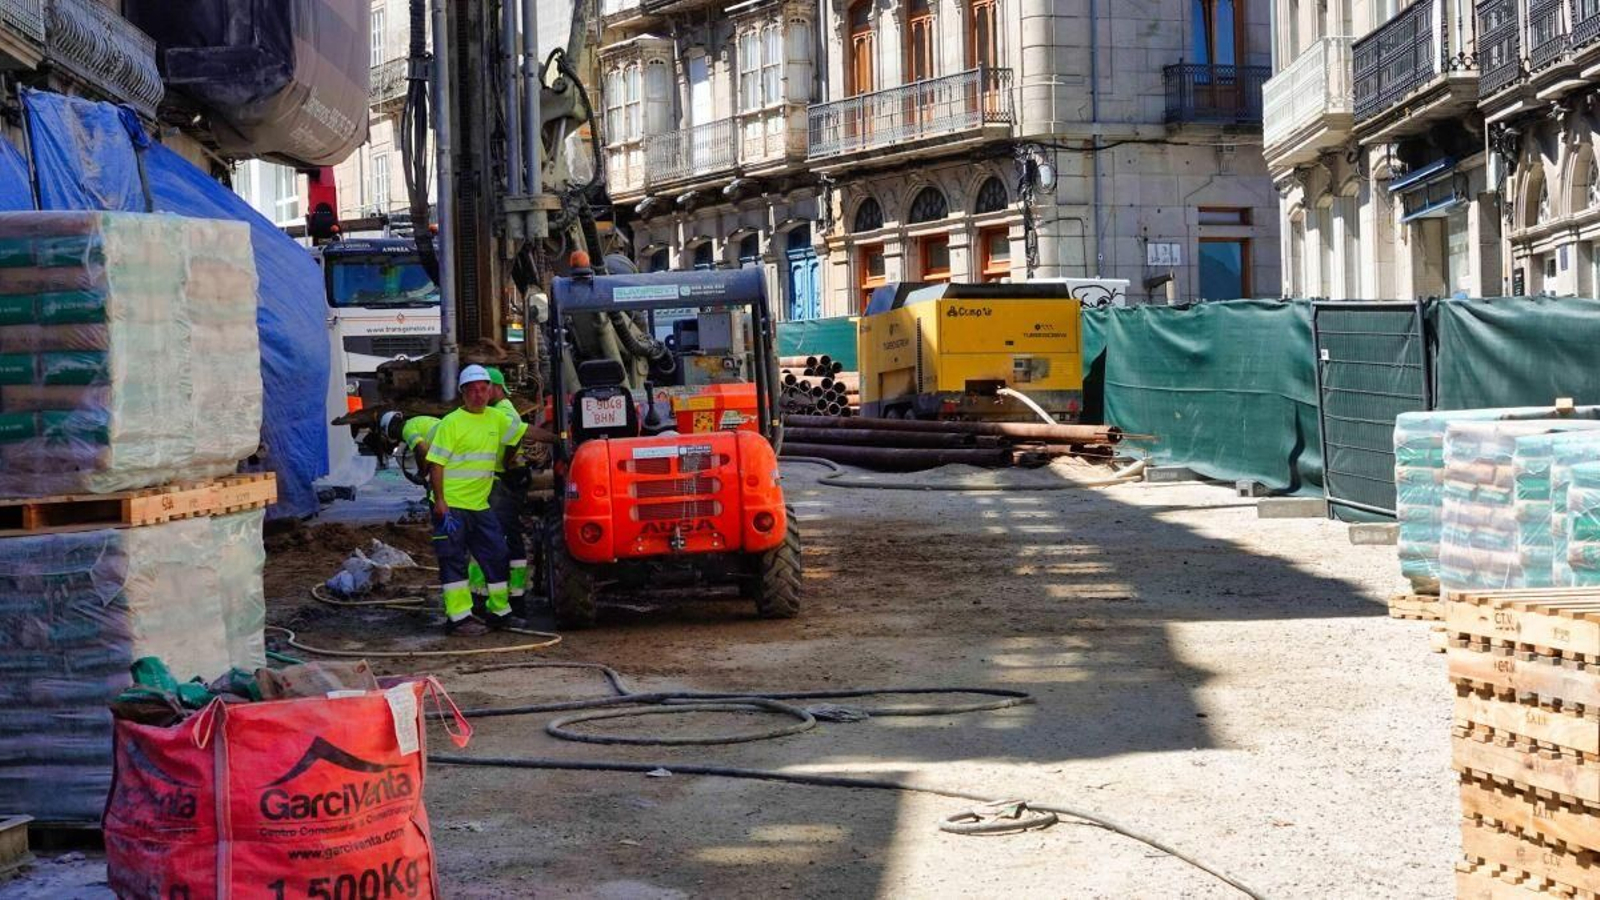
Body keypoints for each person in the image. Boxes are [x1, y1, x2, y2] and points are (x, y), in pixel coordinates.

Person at [426, 365, 523, 636]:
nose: (479, 395)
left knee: (496, 555)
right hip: (453, 506)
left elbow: (523, 432)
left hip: (479, 506)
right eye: (473, 390)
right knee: (453, 559)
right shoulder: (452, 423)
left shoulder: (495, 418)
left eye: (483, 389)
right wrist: (441, 501)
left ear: (491, 391)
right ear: (463, 394)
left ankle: (500, 613)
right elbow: (436, 465)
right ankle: (459, 618)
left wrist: (560, 438)